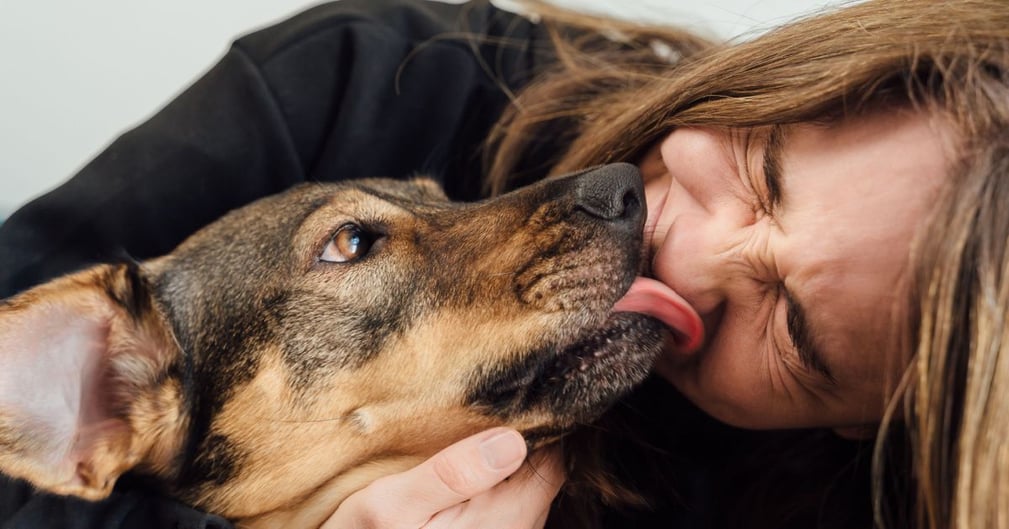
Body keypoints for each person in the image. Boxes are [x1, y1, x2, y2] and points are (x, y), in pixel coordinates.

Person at [1, 0, 1007, 528]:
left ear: (867, 426)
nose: (680, 247)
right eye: (760, 164)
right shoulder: (383, 77)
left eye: (793, 329)